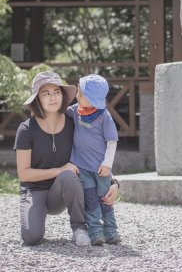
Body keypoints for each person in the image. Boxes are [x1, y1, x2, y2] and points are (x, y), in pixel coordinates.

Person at [14, 71, 119, 246]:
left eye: (56, 92)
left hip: (65, 189)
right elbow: (24, 174)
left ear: (63, 95)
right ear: (37, 99)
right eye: (45, 93)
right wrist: (60, 169)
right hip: (35, 190)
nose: (52, 97)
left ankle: (79, 227)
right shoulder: (26, 130)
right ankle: (36, 214)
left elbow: (94, 151)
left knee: (68, 176)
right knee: (31, 238)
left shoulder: (75, 121)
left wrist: (114, 182)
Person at [68, 74, 121, 245]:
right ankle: (95, 232)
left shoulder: (104, 116)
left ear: (92, 99)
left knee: (105, 200)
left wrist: (107, 164)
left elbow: (112, 142)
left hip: (101, 168)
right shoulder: (76, 111)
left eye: (81, 94)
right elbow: (60, 111)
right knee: (90, 200)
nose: (77, 94)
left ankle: (111, 231)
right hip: (83, 168)